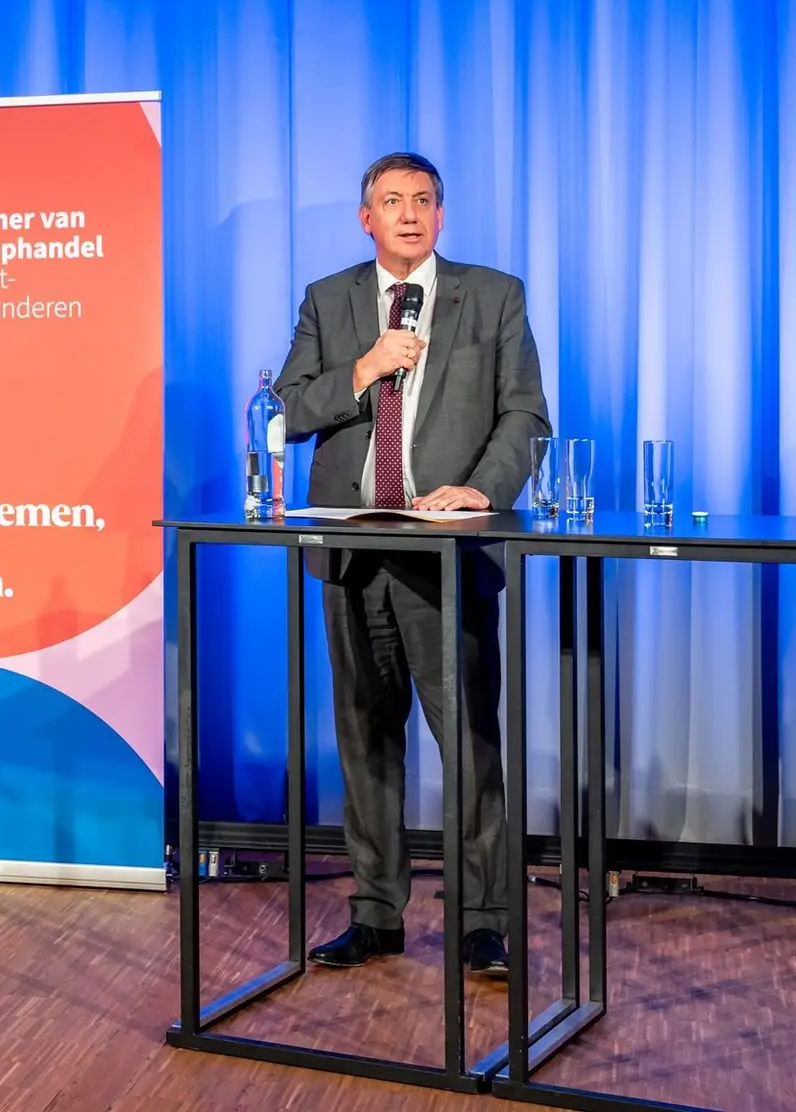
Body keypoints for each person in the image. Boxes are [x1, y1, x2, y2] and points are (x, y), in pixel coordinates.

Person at [274, 151, 550, 978]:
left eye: (423, 200)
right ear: (366, 218)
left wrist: (481, 489)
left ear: (441, 215)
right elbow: (286, 411)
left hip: (445, 554)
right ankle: (375, 915)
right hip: (351, 554)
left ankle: (483, 924)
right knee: (365, 743)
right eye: (391, 201)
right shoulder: (328, 299)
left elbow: (525, 412)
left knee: (469, 745)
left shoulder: (492, 295)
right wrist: (363, 368)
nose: (408, 214)